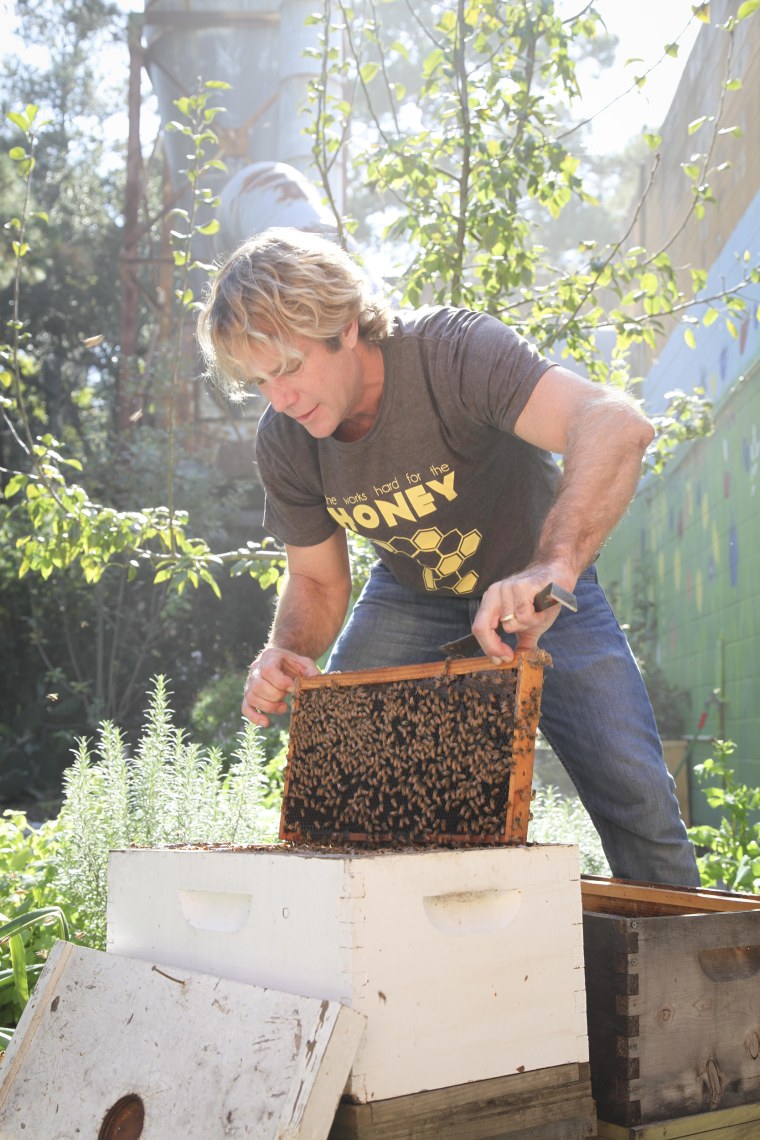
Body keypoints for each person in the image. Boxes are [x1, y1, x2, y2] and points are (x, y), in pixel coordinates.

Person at [197, 227, 700, 888]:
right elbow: (317, 583)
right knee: (337, 779)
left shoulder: (454, 353)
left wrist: (552, 568)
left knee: (635, 792)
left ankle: (697, 984)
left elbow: (616, 423)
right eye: (260, 381)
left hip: (539, 588)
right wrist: (286, 652)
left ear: (345, 326)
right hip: (410, 595)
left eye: (288, 368)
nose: (280, 398)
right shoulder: (285, 441)